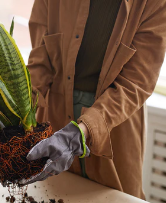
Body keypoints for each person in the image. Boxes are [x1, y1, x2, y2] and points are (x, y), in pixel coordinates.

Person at [20, 0, 166, 200]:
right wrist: (12, 120)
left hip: (114, 122)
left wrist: (83, 130)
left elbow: (135, 83)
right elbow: (39, 62)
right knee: (54, 193)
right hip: (55, 120)